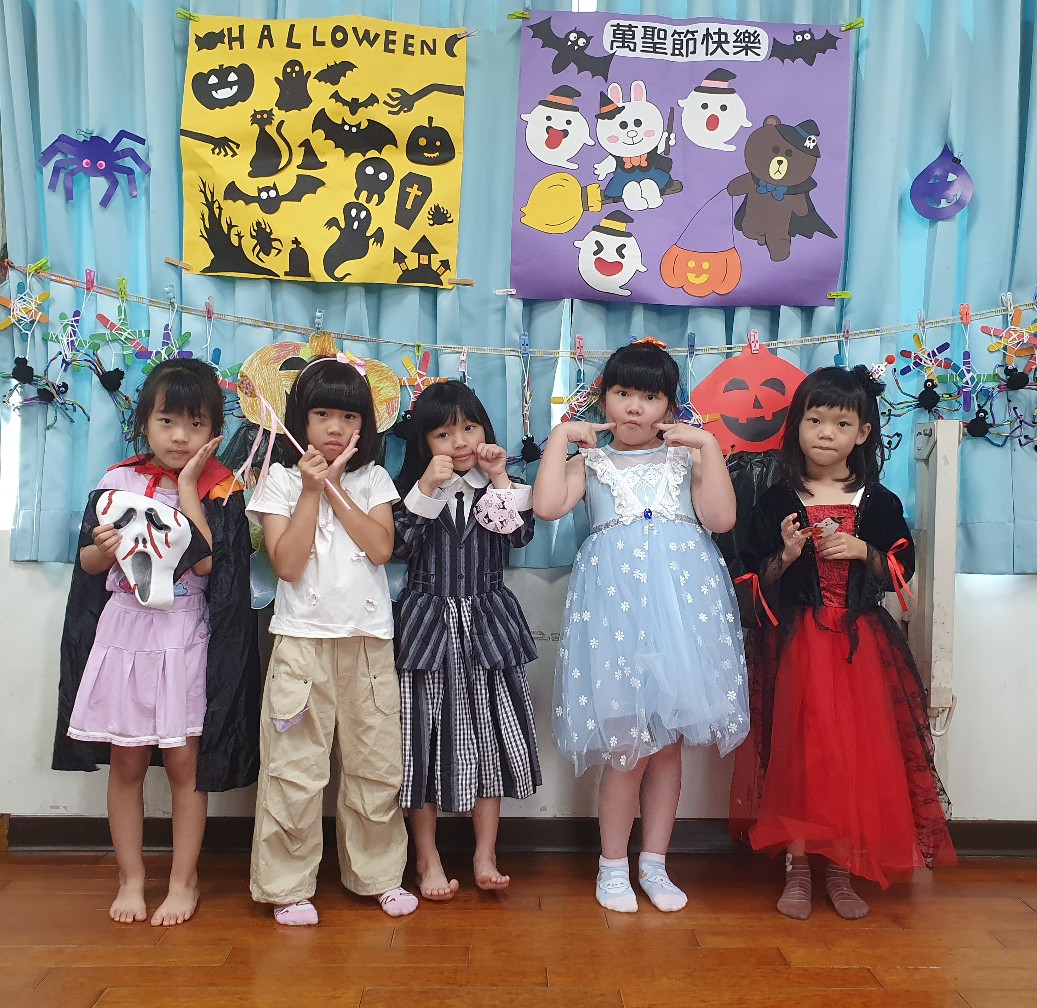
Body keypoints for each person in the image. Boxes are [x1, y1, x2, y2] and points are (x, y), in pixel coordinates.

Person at [729, 365, 956, 921]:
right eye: (814, 420)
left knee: (852, 756)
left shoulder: (877, 501)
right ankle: (797, 865)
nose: (826, 433)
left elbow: (900, 566)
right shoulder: (777, 500)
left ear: (863, 433)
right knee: (800, 754)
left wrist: (863, 552)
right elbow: (750, 575)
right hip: (797, 646)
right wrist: (786, 554)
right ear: (797, 426)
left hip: (860, 648)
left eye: (841, 423)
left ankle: (840, 865)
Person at [533, 340, 748, 913]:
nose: (633, 406)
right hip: (617, 616)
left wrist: (708, 446)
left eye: (649, 397)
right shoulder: (591, 463)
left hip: (682, 615)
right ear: (603, 398)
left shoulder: (686, 460)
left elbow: (722, 518)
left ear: (669, 407)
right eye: (622, 392)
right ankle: (612, 867)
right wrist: (559, 439)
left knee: (669, 746)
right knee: (627, 746)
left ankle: (654, 863)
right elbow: (547, 506)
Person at [54, 357, 261, 927]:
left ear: (214, 430)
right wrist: (101, 547)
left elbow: (209, 565)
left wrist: (188, 486)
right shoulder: (117, 481)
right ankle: (130, 878)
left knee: (183, 761)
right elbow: (89, 566)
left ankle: (183, 880)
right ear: (144, 421)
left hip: (185, 633)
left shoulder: (221, 486)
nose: (179, 436)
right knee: (126, 760)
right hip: (124, 631)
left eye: (196, 424)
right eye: (167, 421)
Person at [245, 356, 417, 924]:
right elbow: (288, 564)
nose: (336, 427)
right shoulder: (277, 479)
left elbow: (381, 549)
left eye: (349, 416)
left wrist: (337, 489)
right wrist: (311, 491)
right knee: (293, 770)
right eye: (322, 414)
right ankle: (287, 887)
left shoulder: (374, 479)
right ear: (300, 417)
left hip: (368, 642)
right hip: (301, 644)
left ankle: (379, 876)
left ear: (365, 424)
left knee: (375, 765)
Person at [393, 380, 540, 900]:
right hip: (426, 624)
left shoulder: (500, 486)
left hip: (488, 622)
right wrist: (426, 488)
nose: (459, 441)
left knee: (491, 734)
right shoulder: (408, 490)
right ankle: (426, 856)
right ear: (423, 443)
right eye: (443, 433)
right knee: (421, 740)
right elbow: (398, 546)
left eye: (469, 427)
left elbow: (520, 534)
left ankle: (485, 854)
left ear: (485, 431)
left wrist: (499, 476)